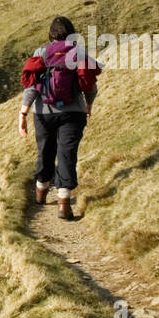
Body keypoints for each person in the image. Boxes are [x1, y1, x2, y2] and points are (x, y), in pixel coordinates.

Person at [17, 16, 99, 220]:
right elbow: (89, 83)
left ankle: (41, 191)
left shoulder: (42, 52)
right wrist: (88, 105)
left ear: (51, 34)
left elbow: (32, 86)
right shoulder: (78, 52)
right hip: (74, 113)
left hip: (44, 113)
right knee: (66, 153)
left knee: (45, 150)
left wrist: (23, 113)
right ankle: (64, 203)